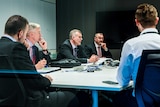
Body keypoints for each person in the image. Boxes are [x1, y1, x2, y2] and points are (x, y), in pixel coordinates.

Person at [0, 15, 81, 107]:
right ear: (20, 33)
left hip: (7, 99)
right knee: (72, 96)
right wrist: (47, 80)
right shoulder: (17, 48)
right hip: (27, 100)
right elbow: (34, 79)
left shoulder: (6, 47)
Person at [112, 3, 160, 107]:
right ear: (157, 20)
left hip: (140, 101)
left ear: (137, 22)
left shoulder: (131, 44)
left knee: (115, 99)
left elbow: (122, 81)